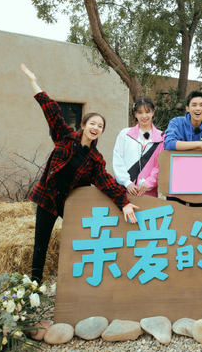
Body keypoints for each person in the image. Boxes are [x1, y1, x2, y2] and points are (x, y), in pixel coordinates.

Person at [21, 64, 138, 284]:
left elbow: (106, 183)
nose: (96, 127)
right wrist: (33, 82)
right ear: (83, 125)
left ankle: (76, 283)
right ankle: (35, 285)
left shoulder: (96, 159)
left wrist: (124, 203)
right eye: (92, 123)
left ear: (101, 132)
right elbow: (51, 111)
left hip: (69, 204)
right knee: (40, 245)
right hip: (48, 198)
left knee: (80, 241)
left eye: (100, 126)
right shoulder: (65, 136)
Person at [112, 97, 166, 198]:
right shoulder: (125, 134)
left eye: (147, 111)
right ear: (135, 114)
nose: (144, 116)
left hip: (148, 193)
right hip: (124, 190)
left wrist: (148, 183)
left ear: (153, 112)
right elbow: (118, 159)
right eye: (140, 112)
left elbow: (161, 165)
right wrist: (127, 182)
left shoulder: (162, 137)